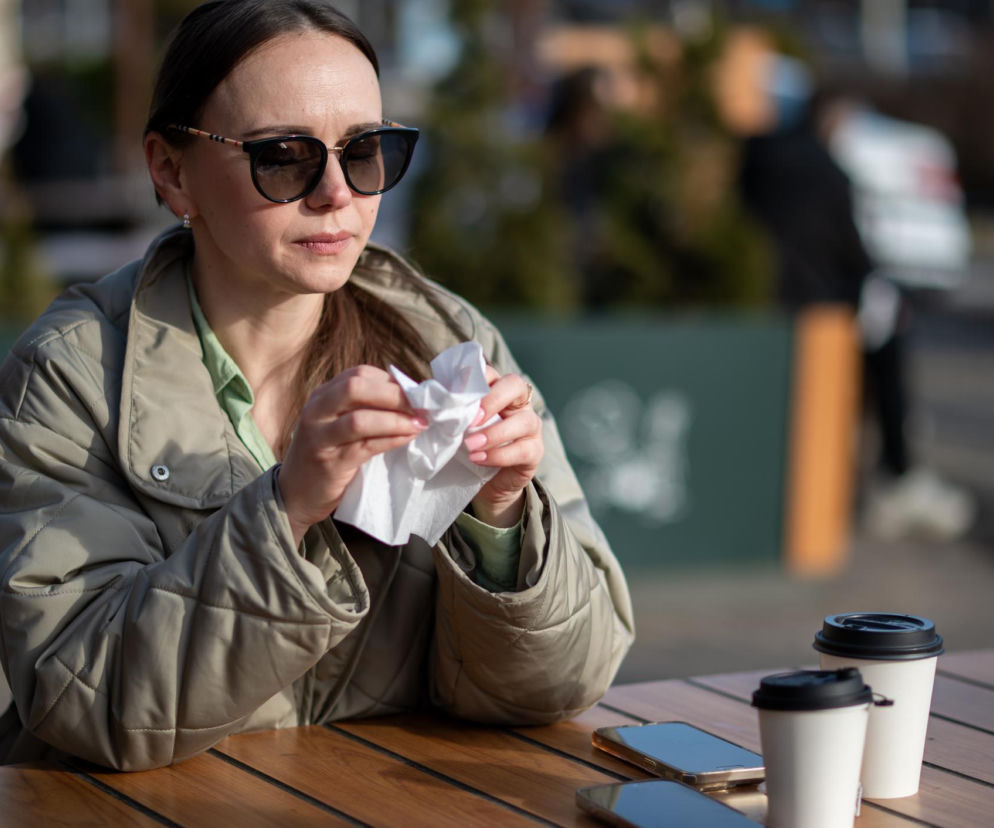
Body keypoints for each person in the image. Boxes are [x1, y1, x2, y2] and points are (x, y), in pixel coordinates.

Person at [0, 0, 634, 771]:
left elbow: (565, 682)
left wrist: (501, 522)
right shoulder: (71, 374)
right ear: (171, 171)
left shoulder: (447, 340)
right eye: (284, 156)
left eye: (366, 151)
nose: (337, 191)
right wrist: (286, 511)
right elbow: (80, 700)